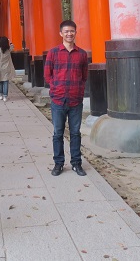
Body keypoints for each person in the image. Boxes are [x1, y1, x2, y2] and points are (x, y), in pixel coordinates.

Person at [44, 20, 89, 177]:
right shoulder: (53, 53)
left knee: (75, 132)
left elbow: (84, 76)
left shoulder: (82, 54)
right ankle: (58, 163)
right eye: (66, 31)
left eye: (72, 31)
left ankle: (76, 163)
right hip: (58, 99)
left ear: (75, 33)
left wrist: (79, 90)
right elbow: (47, 74)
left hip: (75, 100)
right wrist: (56, 88)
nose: (69, 34)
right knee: (58, 133)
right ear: (61, 33)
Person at [0, 36, 16, 102]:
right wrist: (10, 41)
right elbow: (12, 46)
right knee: (6, 82)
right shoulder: (8, 50)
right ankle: (5, 96)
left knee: (0, 81)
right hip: (7, 68)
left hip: (0, 68)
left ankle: (0, 95)